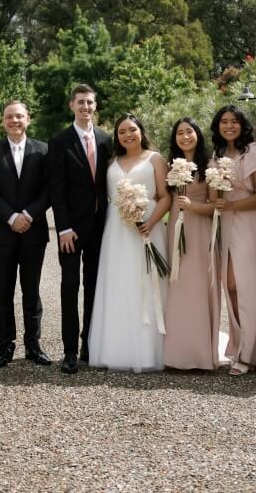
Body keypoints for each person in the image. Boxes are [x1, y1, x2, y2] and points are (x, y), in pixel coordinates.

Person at [88, 114, 171, 372]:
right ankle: (118, 348)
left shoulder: (155, 159)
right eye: (122, 131)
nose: (127, 135)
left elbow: (165, 195)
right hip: (117, 231)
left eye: (132, 130)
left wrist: (152, 221)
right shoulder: (113, 161)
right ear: (117, 136)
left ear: (141, 131)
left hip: (148, 229)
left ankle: (150, 351)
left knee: (146, 284)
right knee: (119, 285)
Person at [46, 84, 112, 374]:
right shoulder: (59, 141)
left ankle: (90, 346)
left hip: (101, 228)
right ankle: (70, 351)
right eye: (81, 102)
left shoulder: (106, 140)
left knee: (96, 288)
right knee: (70, 288)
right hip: (71, 231)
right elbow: (56, 189)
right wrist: (63, 228)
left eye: (90, 103)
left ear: (95, 107)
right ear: (72, 106)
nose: (86, 107)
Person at [0, 101, 51, 368]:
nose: (14, 121)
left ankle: (33, 345)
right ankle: (5, 346)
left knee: (31, 291)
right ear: (3, 121)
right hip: (3, 232)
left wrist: (28, 216)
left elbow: (49, 189)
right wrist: (11, 217)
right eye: (9, 117)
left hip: (34, 232)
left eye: (19, 116)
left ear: (28, 119)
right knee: (4, 291)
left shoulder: (44, 150)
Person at [209, 105, 256, 375]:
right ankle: (238, 345)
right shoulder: (217, 154)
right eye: (224, 121)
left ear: (242, 125)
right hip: (225, 223)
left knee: (247, 285)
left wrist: (232, 205)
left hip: (246, 221)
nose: (229, 126)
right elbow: (213, 195)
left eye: (234, 121)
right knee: (229, 284)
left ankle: (251, 352)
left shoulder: (252, 151)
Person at [163, 117, 221, 371]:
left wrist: (193, 206)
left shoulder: (210, 166)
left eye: (189, 131)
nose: (185, 137)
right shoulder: (170, 165)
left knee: (198, 288)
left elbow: (216, 207)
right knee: (177, 287)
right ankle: (177, 352)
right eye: (180, 133)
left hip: (199, 232)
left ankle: (199, 354)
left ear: (198, 134)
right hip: (175, 230)